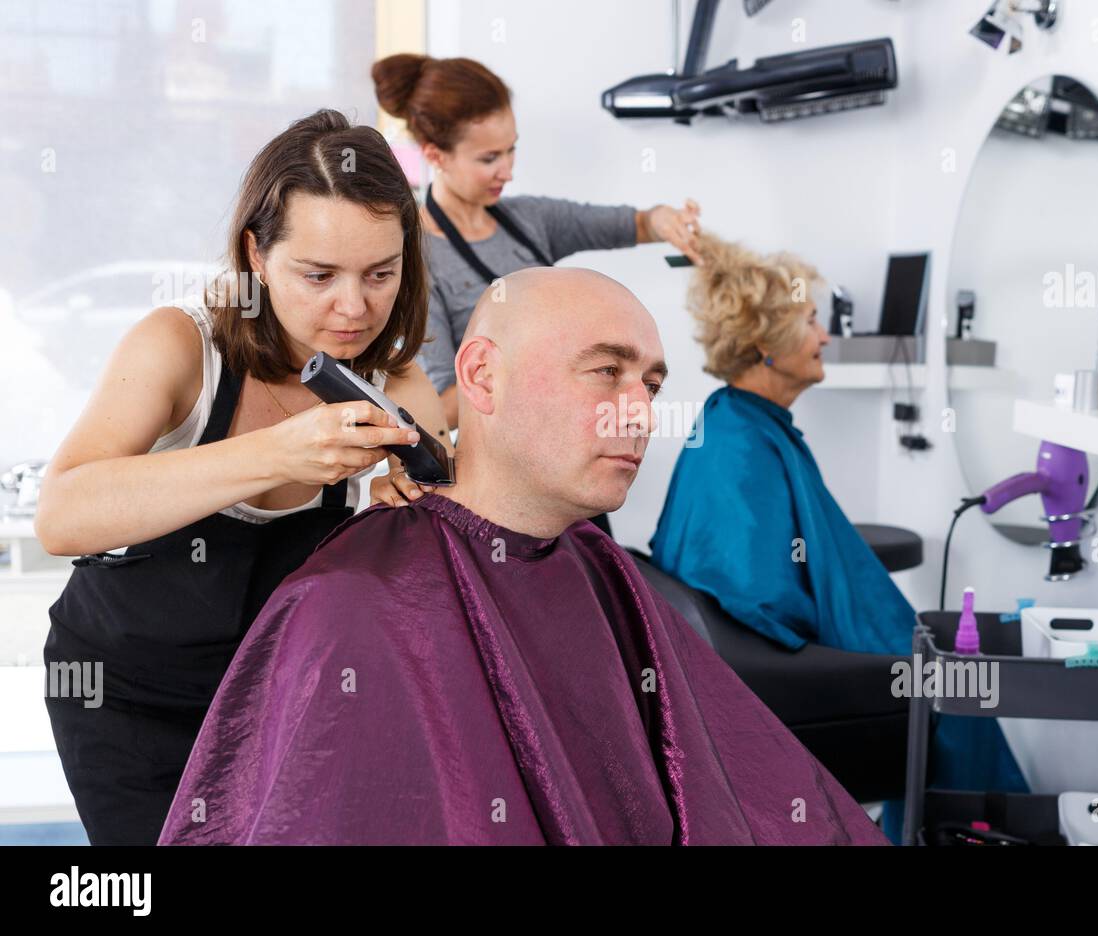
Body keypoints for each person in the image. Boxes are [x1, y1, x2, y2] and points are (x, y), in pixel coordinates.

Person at [157, 267, 888, 846]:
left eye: (653, 385)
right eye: (606, 372)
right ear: (480, 378)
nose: (640, 412)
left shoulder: (599, 572)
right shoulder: (353, 604)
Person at [34, 109, 450, 845]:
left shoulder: (388, 377)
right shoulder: (179, 346)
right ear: (256, 255)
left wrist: (413, 499)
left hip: (268, 696)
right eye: (317, 275)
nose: (353, 308)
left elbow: (448, 497)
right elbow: (62, 513)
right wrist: (277, 455)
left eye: (380, 274)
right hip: (122, 696)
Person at [649, 233, 1028, 842]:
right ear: (767, 345)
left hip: (819, 646)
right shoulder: (742, 443)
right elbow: (754, 593)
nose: (825, 336)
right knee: (959, 694)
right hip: (797, 673)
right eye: (810, 321)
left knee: (956, 676)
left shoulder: (742, 423)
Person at [370, 54, 702, 540]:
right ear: (435, 155)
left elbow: (629, 223)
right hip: (509, 483)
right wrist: (536, 374)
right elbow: (438, 407)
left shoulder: (526, 219)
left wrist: (664, 221)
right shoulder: (416, 259)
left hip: (570, 459)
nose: (506, 170)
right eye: (488, 158)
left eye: (511, 150)